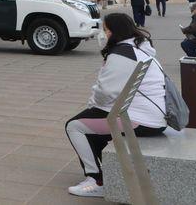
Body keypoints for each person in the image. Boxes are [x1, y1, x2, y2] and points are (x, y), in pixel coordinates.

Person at [65, 12, 168, 198]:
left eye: (105, 30)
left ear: (115, 32)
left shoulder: (123, 53)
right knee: (90, 122)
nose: (102, 34)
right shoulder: (139, 48)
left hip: (141, 120)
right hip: (151, 116)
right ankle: (108, 173)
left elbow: (106, 93)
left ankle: (96, 180)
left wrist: (92, 104)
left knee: (74, 126)